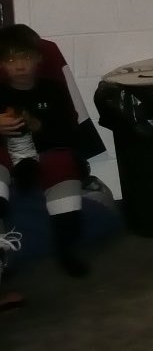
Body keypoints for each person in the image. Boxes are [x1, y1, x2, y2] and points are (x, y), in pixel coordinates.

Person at [0, 23, 91, 279]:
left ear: (38, 58)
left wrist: (39, 126)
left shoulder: (52, 90)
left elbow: (68, 132)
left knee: (63, 163)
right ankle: (1, 250)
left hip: (47, 151)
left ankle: (67, 249)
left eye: (25, 58)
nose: (19, 66)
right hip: (7, 155)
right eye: (10, 60)